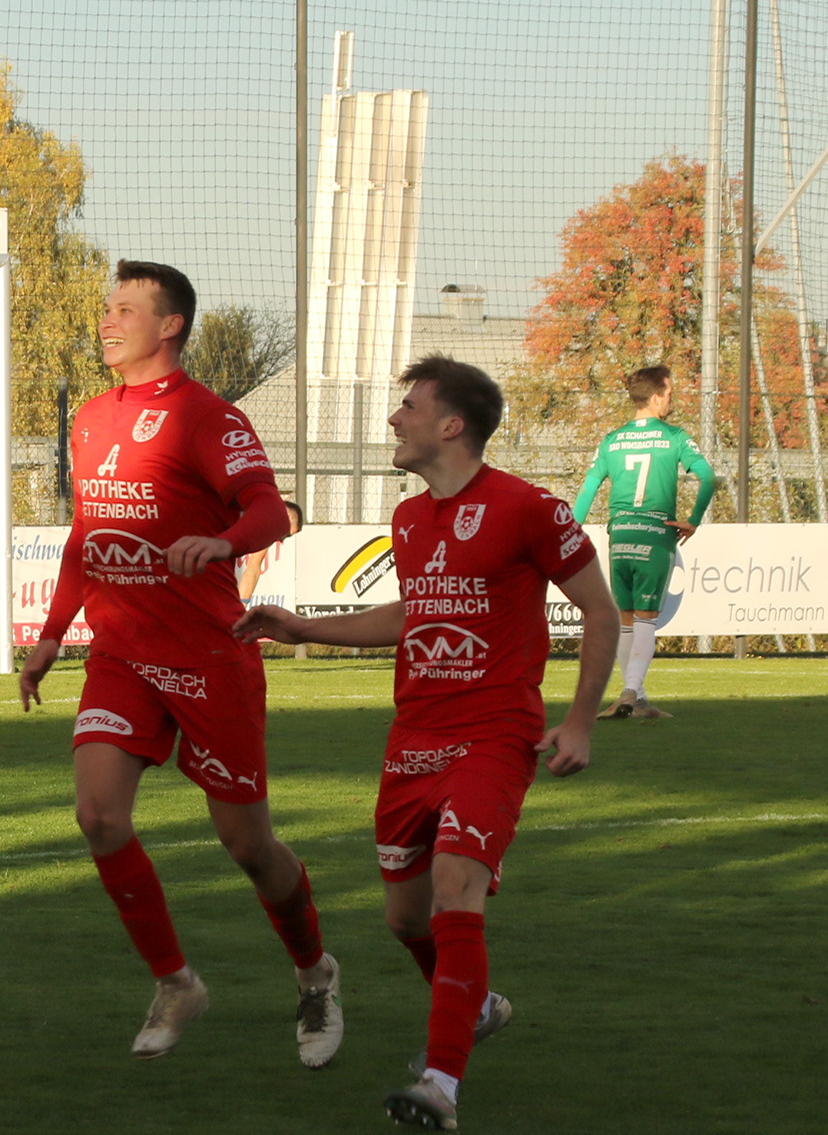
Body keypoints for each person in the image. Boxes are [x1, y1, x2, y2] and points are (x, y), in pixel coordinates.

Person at [234, 355, 617, 1130]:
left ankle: (441, 1086)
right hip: (414, 736)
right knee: (405, 921)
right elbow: (409, 616)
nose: (393, 418)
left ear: (452, 425)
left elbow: (601, 614)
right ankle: (476, 1007)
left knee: (454, 889)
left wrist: (578, 719)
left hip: (493, 732)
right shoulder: (410, 520)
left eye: (408, 405)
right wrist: (300, 625)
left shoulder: (527, 508)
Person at [19, 261, 342, 1067]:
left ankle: (315, 972)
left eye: (125, 308)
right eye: (106, 307)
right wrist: (56, 632)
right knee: (98, 815)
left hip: (209, 657)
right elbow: (87, 538)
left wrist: (226, 542)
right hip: (123, 654)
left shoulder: (208, 417)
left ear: (170, 326)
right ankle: (176, 982)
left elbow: (270, 509)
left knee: (248, 846)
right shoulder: (91, 419)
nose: (107, 319)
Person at [573, 365, 714, 720]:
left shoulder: (612, 440)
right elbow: (708, 478)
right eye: (669, 394)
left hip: (619, 534)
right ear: (655, 398)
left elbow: (588, 488)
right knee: (647, 619)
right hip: (655, 531)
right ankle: (630, 694)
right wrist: (693, 521)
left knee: (625, 619)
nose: (671, 400)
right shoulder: (675, 437)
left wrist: (571, 530)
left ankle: (640, 699)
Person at [236, 498, 304, 601]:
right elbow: (253, 569)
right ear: (289, 518)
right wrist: (241, 605)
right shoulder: (270, 522)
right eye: (287, 535)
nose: (281, 541)